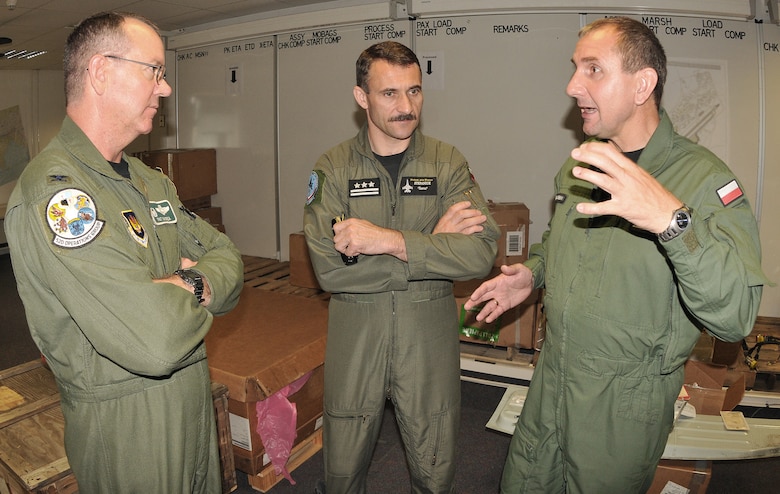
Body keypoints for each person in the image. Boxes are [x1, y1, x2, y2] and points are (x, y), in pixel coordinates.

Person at [466, 16, 768, 494]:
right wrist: (532, 273)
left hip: (622, 405)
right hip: (552, 379)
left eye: (593, 69)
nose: (571, 85)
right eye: (574, 68)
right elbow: (561, 241)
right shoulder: (584, 164)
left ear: (642, 84)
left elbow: (736, 318)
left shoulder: (704, 182)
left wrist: (672, 221)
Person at [4, 11, 244, 493]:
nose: (165, 88)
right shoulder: (60, 197)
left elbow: (228, 256)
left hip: (192, 400)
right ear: (100, 72)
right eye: (153, 70)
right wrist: (200, 282)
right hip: (130, 426)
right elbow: (153, 341)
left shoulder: (149, 180)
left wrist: (181, 285)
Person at [303, 40, 500, 493]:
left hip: (427, 337)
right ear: (361, 98)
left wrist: (386, 242)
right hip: (356, 335)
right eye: (389, 93)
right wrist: (432, 246)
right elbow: (330, 269)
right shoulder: (333, 168)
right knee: (342, 469)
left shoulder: (447, 162)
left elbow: (479, 253)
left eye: (414, 91)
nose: (405, 106)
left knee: (434, 466)